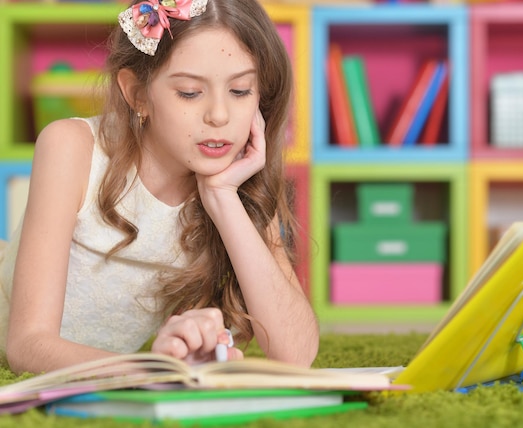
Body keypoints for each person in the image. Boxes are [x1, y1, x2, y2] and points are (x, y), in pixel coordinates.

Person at [0, 0, 319, 374]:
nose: (219, 115)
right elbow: (26, 345)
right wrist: (153, 368)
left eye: (240, 91)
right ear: (137, 95)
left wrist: (222, 199)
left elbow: (297, 354)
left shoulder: (237, 181)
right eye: (189, 92)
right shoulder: (72, 147)